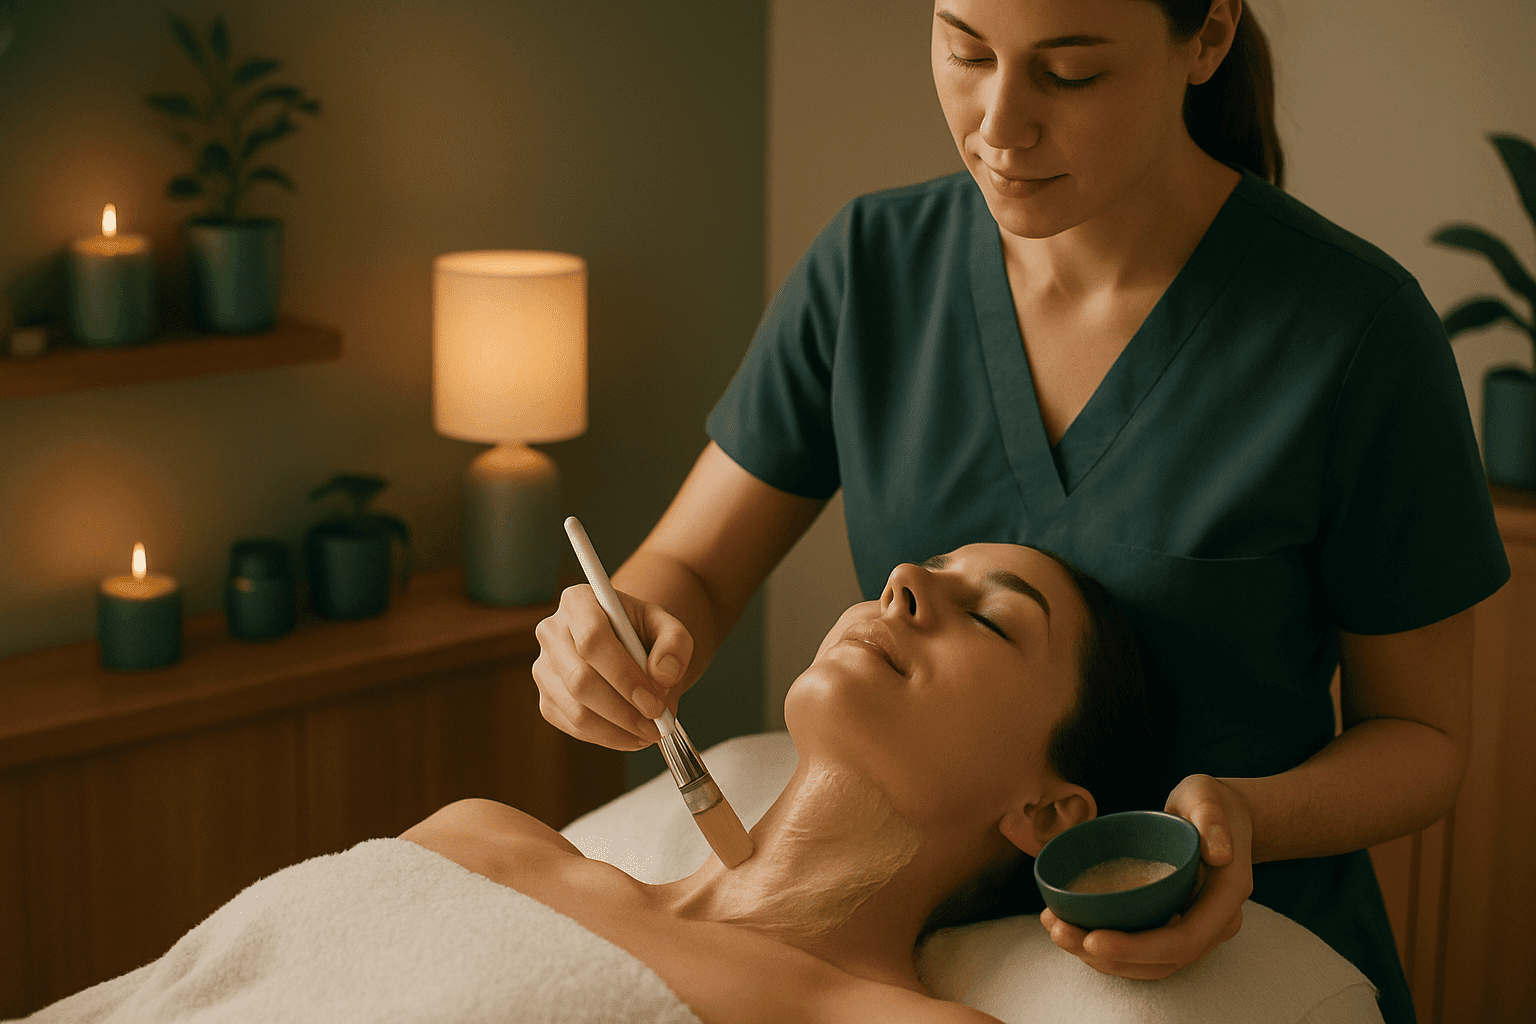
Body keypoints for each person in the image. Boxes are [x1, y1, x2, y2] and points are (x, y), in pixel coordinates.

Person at [531, 2, 1510, 1021]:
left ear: (1208, 37)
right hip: (921, 932)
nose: (997, 125)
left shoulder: (1354, 335)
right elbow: (686, 572)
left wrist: (1242, 818)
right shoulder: (873, 265)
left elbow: (1423, 738)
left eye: (1071, 74)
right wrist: (615, 629)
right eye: (965, 49)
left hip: (1238, 962)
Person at [421, 544, 1167, 1024]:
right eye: (926, 567)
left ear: (1048, 814)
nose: (900, 582)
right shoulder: (482, 843)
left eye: (991, 619)